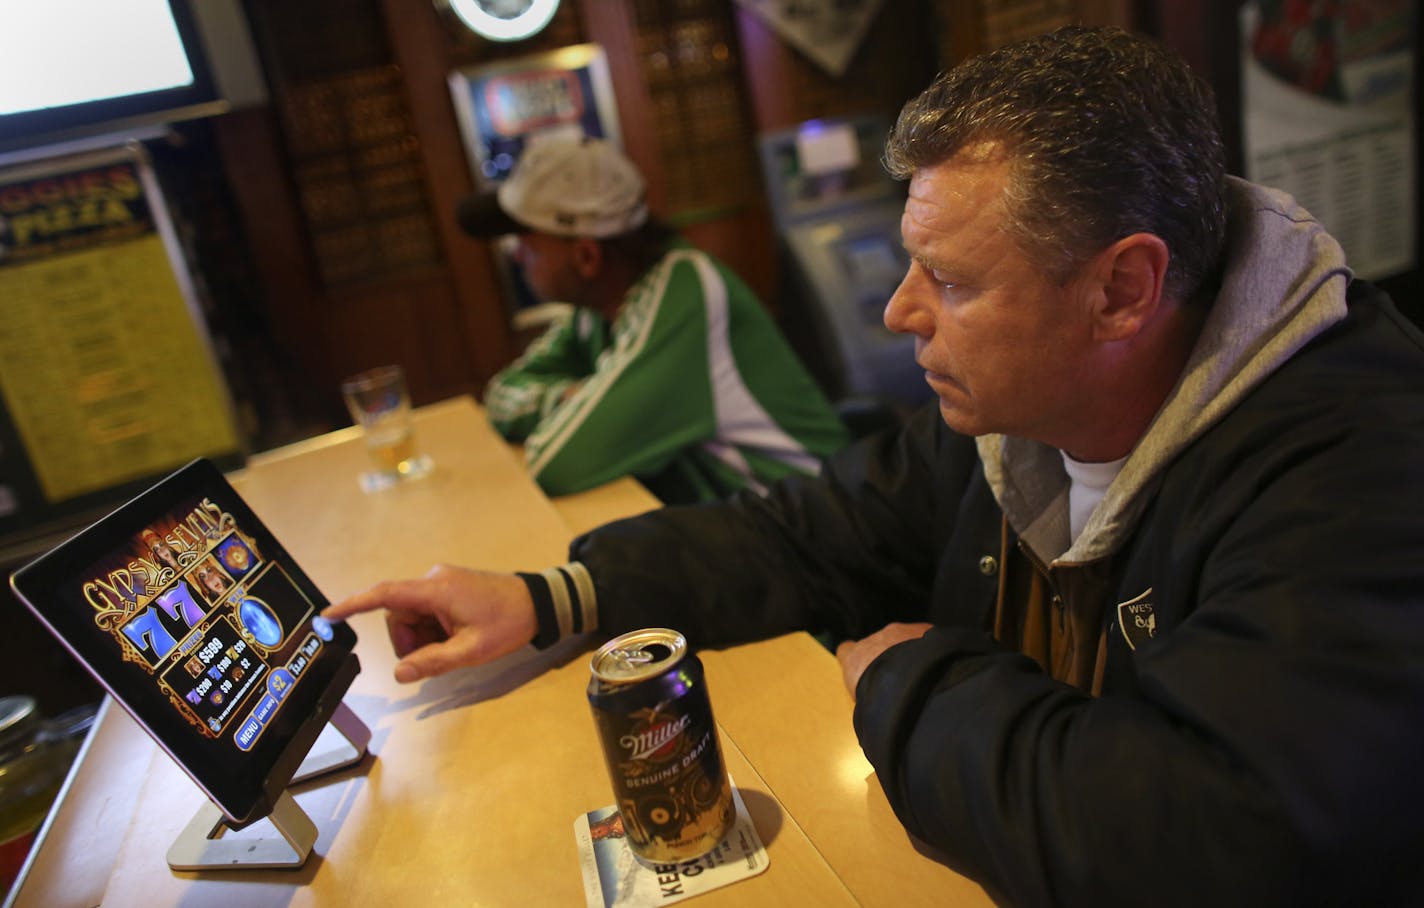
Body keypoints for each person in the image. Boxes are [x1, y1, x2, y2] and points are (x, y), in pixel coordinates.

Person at [326, 26, 1424, 906]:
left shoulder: (1359, 469)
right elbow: (805, 531)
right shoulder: (1017, 413)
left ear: (1121, 291)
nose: (899, 311)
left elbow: (1200, 842)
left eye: (945, 279)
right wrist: (546, 594)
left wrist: (907, 677)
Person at [457, 134, 849, 502]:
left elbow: (555, 462)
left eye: (526, 240)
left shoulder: (684, 290)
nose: (515, 254)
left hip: (815, 526)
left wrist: (576, 400)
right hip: (742, 530)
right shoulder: (593, 313)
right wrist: (566, 396)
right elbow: (500, 393)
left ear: (587, 257)